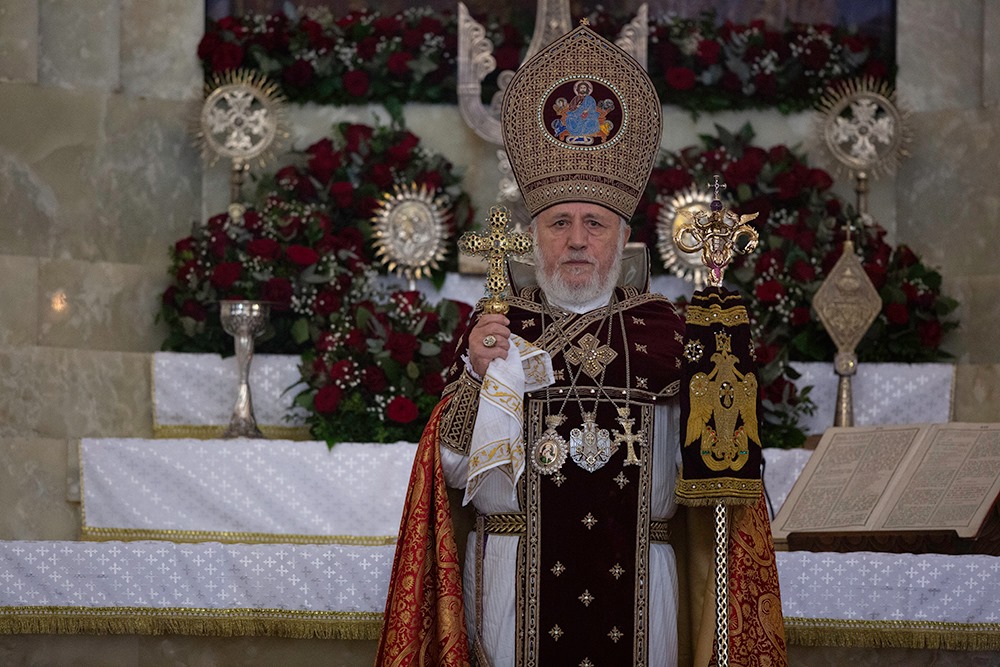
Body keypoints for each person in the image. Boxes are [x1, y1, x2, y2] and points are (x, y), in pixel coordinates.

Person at [376, 22, 786, 667]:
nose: (575, 241)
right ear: (532, 234)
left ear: (622, 238)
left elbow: (713, 481)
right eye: (557, 223)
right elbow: (453, 474)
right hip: (514, 578)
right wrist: (480, 377)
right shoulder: (496, 329)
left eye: (594, 223)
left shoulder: (671, 335)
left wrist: (723, 380)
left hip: (643, 583)